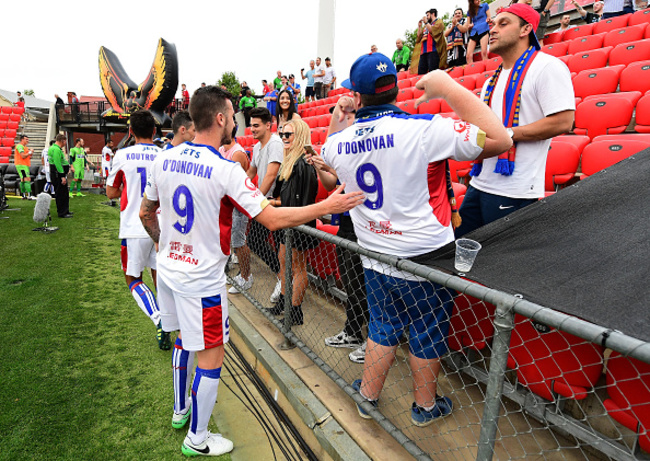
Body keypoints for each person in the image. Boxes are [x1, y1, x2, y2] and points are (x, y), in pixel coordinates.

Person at [139, 85, 363, 457]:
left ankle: (181, 411)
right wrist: (325, 206)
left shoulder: (164, 159)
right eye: (233, 116)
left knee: (183, 340)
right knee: (210, 359)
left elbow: (148, 212)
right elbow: (272, 219)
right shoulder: (225, 169)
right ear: (222, 119)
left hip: (170, 271)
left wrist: (165, 247)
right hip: (202, 281)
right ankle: (197, 438)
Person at [320, 52, 511, 426]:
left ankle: (368, 395)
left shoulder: (337, 144)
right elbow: (501, 138)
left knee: (383, 324)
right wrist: (448, 88)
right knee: (427, 329)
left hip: (375, 252)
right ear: (396, 86)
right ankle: (424, 407)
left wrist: (338, 116)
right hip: (426, 254)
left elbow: (328, 151)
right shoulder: (425, 128)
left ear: (357, 98)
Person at [456, 3, 575, 238]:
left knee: (500, 267)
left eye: (503, 23)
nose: (493, 30)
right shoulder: (491, 80)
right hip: (479, 182)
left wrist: (507, 134)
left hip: (515, 190)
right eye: (493, 25)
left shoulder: (547, 67)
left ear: (525, 29)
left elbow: (563, 122)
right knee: (459, 252)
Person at [306, 113, 369, 363]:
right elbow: (332, 183)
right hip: (347, 222)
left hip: (367, 225)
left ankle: (372, 341)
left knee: (367, 285)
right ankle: (353, 331)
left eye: (350, 115)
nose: (345, 119)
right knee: (351, 281)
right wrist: (320, 166)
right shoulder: (342, 150)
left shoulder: (364, 147)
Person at [106, 110, 171, 351]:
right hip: (160, 226)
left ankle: (159, 318)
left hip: (134, 225)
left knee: (133, 278)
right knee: (159, 277)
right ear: (154, 131)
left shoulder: (122, 155)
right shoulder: (164, 154)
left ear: (130, 131)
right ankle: (168, 317)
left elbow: (111, 192)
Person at [267, 120, 319, 324]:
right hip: (286, 221)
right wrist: (276, 202)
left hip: (298, 223)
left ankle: (295, 312)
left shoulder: (303, 164)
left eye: (289, 134)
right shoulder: (290, 161)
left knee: (298, 267)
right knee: (284, 264)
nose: (285, 138)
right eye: (282, 134)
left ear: (301, 136)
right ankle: (283, 303)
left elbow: (303, 201)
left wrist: (277, 204)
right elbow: (288, 197)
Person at [246, 107, 284, 303]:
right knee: (255, 241)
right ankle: (281, 275)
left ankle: (283, 280)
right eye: (251, 125)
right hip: (264, 201)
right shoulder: (256, 147)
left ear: (268, 125)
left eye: (256, 125)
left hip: (276, 201)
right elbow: (251, 172)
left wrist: (256, 201)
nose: (251, 129)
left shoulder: (276, 143)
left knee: (279, 245)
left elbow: (271, 174)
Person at [219, 127, 254, 295]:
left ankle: (246, 276)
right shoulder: (221, 149)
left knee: (238, 241)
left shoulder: (237, 153)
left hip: (237, 203)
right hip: (226, 203)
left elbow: (236, 183)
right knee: (231, 240)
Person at [48, 134, 73, 218]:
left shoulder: (56, 149)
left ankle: (65, 210)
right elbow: (57, 164)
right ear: (62, 141)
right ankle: (62, 212)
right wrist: (62, 176)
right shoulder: (55, 149)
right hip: (57, 174)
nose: (65, 143)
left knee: (64, 193)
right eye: (65, 141)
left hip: (58, 173)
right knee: (61, 193)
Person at [417, 8, 447, 73]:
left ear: (432, 14)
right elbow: (419, 37)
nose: (426, 17)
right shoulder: (426, 26)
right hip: (424, 52)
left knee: (432, 72)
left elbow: (433, 31)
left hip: (433, 51)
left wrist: (426, 22)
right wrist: (419, 27)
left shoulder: (439, 22)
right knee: (421, 73)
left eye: (428, 15)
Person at [14, 135, 33, 200]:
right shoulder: (19, 146)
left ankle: (24, 195)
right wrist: (30, 152)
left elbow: (28, 157)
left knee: (23, 179)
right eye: (26, 139)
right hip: (21, 165)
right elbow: (23, 156)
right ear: (22, 139)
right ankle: (29, 195)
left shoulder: (26, 147)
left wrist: (31, 153)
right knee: (27, 179)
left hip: (25, 164)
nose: (28, 141)